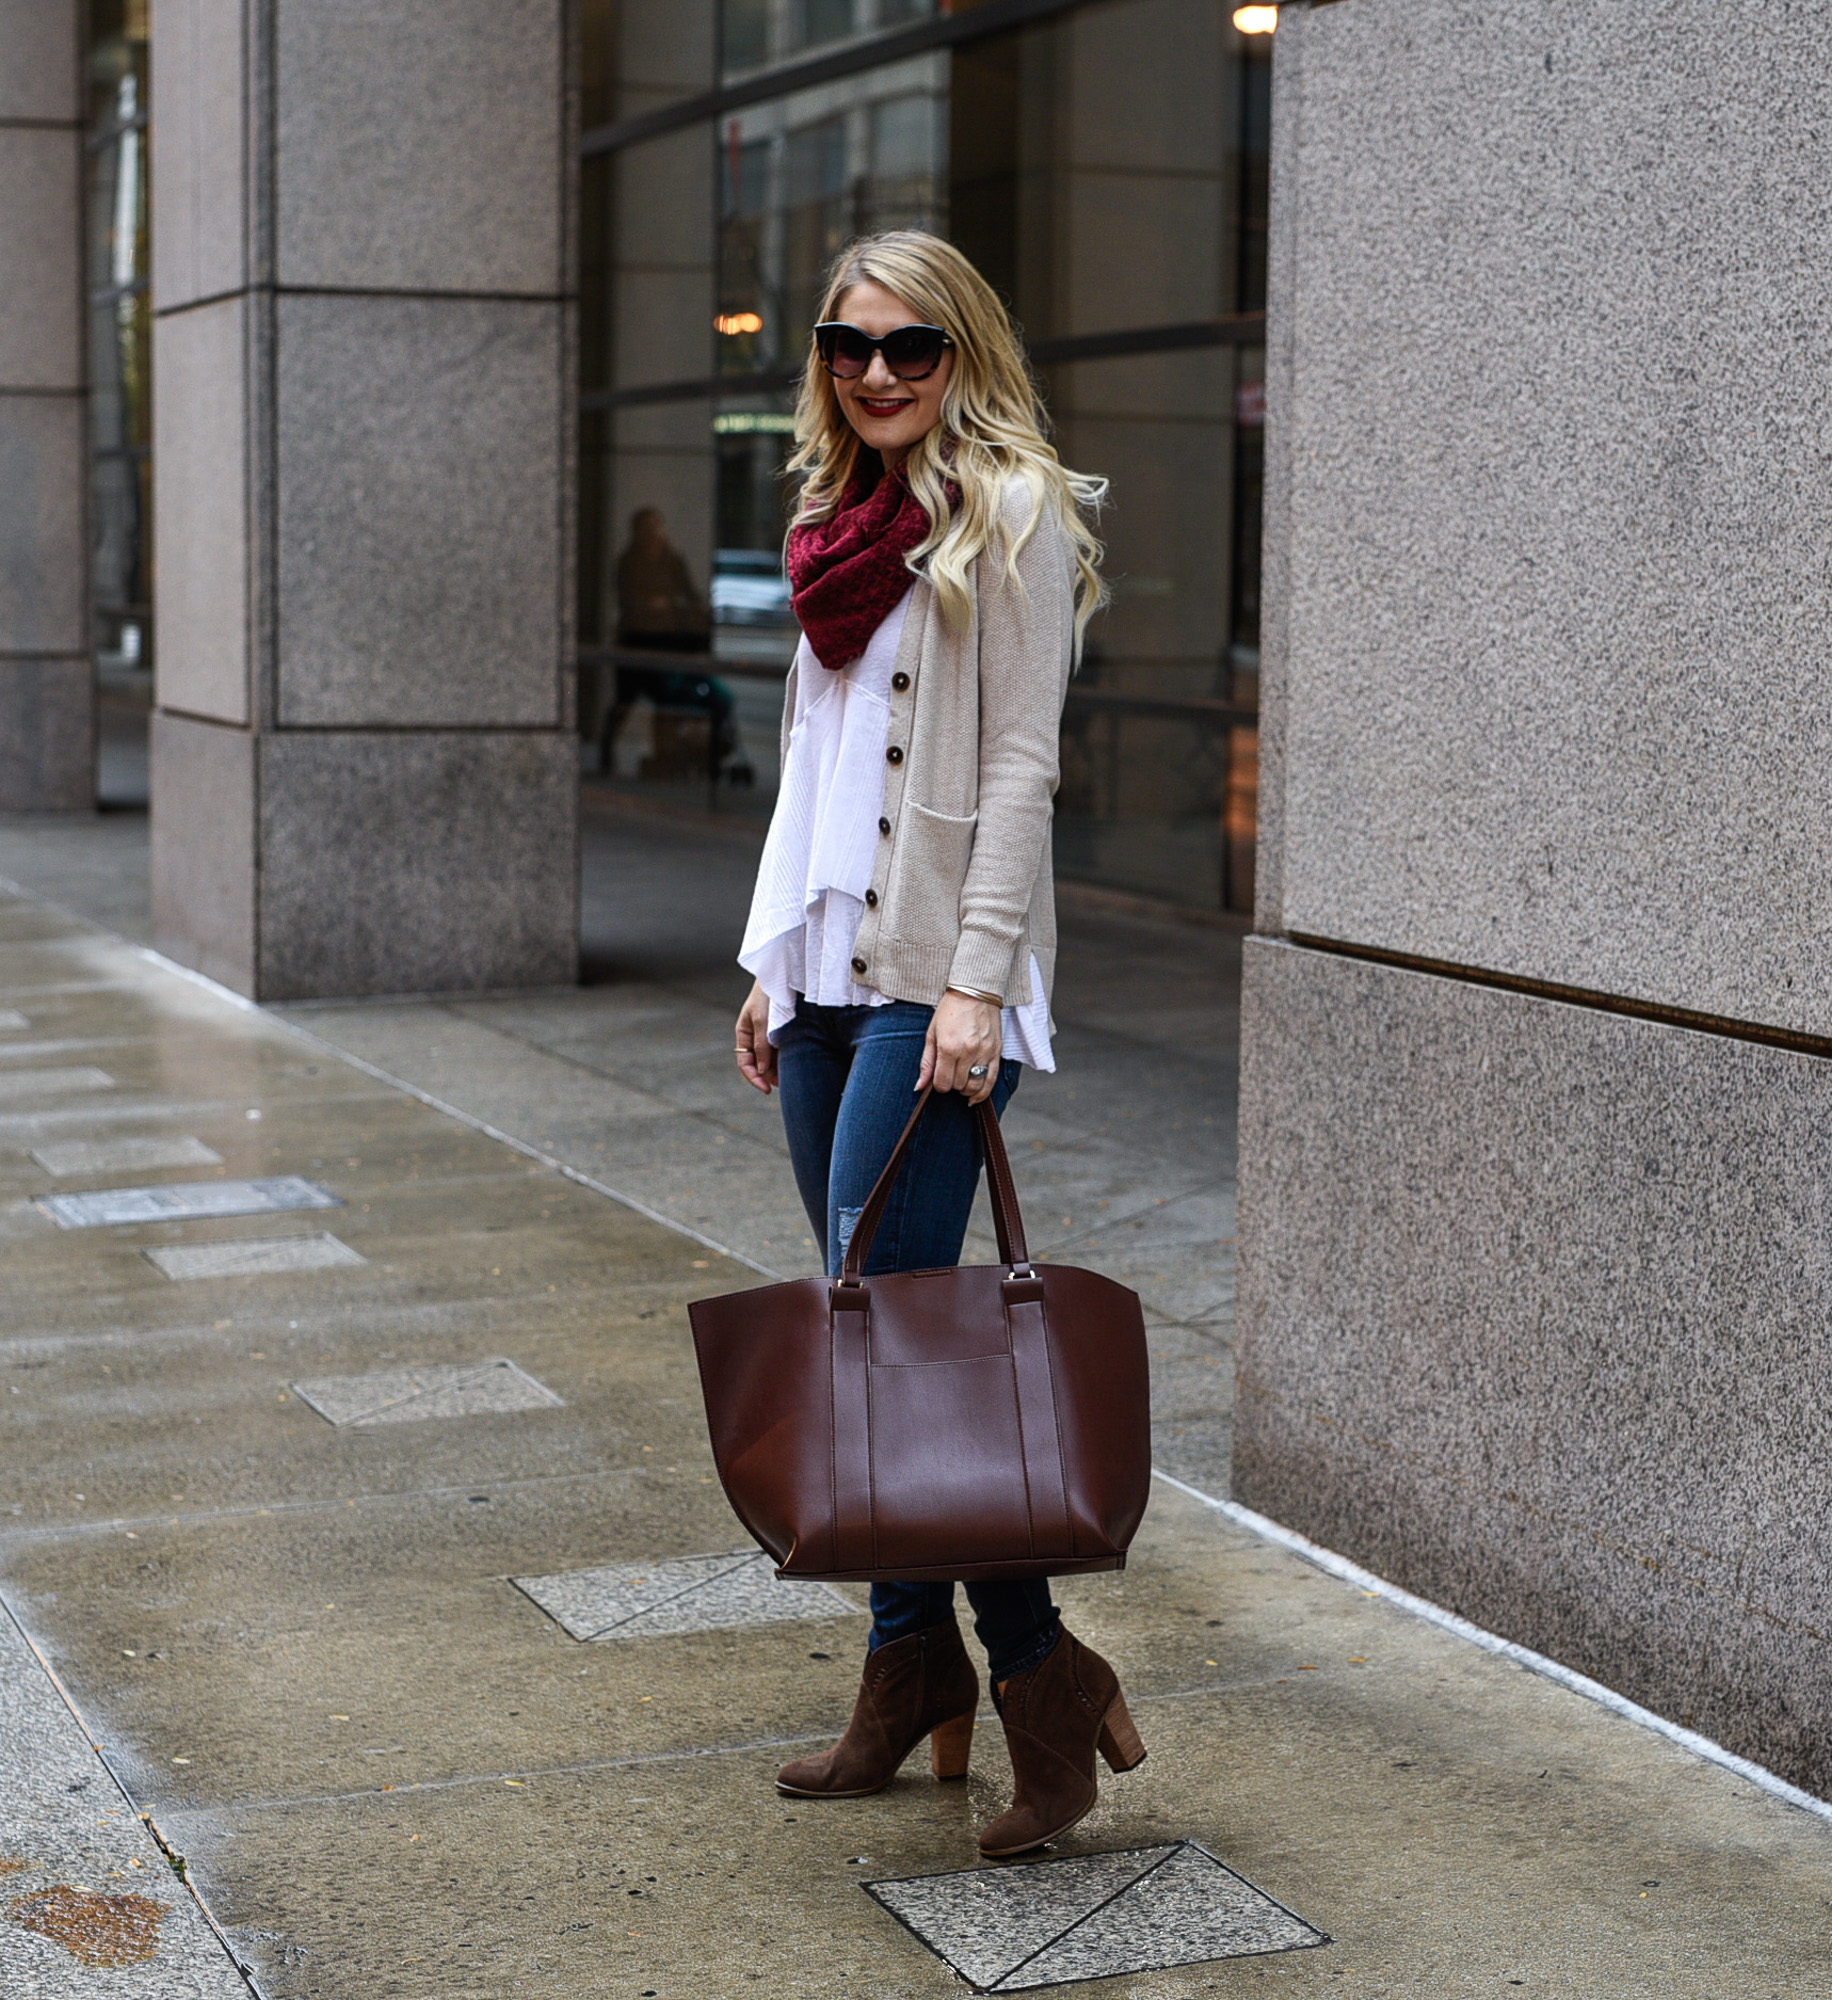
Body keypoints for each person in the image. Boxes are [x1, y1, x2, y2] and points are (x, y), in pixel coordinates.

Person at [732, 230, 1143, 1858]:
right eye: (851, 346)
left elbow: (1024, 767)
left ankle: (1036, 1673)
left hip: (933, 983)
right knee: (865, 1336)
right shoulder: (833, 524)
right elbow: (810, 764)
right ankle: (911, 1675)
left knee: (902, 1344)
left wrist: (973, 989)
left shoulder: (1017, 513)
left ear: (963, 353)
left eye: (913, 347)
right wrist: (767, 963)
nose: (881, 373)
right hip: (826, 973)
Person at [602, 508, 744, 782]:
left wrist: (689, 610)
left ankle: (669, 757)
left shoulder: (673, 560)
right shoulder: (629, 562)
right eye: (647, 527)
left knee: (670, 697)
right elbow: (626, 599)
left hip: (667, 639)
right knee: (626, 699)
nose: (653, 533)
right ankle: (609, 750)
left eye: (657, 526)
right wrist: (650, 605)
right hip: (636, 640)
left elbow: (689, 593)